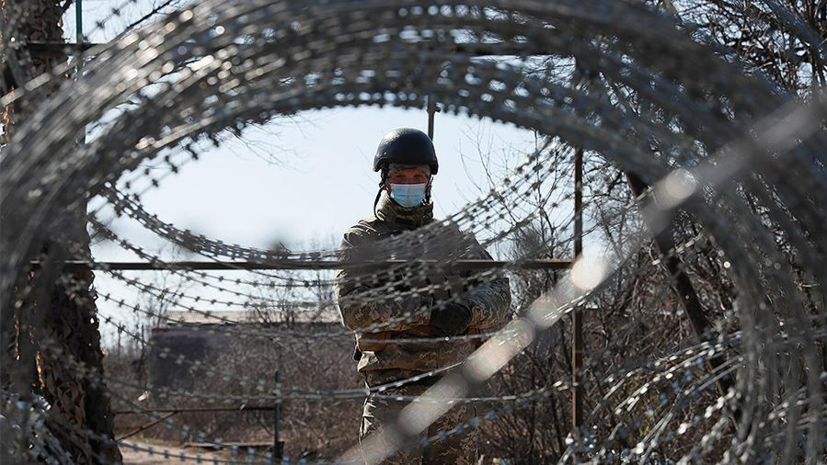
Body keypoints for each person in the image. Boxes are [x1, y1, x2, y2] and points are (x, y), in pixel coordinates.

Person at [334, 128, 511, 464]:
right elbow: (353, 308)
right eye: (402, 175)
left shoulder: (455, 240)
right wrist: (428, 311)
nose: (410, 182)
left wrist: (468, 310)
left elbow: (501, 291)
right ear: (386, 180)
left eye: (418, 176)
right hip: (393, 397)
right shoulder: (363, 240)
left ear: (429, 181)